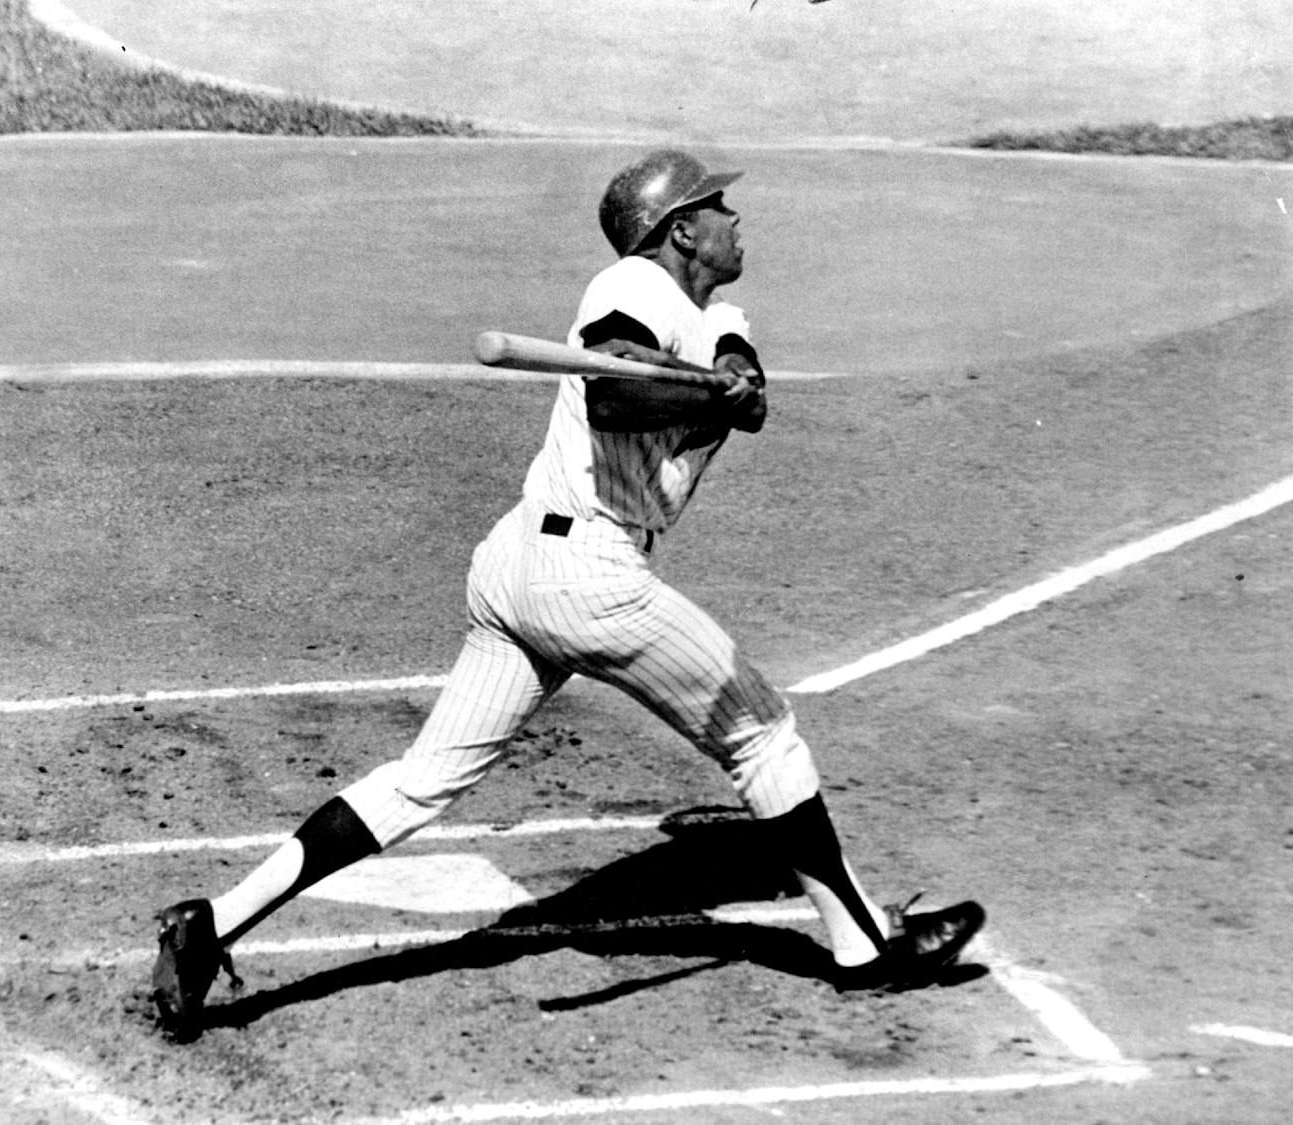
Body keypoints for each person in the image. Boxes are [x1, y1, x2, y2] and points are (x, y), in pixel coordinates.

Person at [151, 149, 985, 1042]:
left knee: (420, 781)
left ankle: (215, 922)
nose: (738, 220)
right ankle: (862, 945)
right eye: (720, 207)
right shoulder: (625, 284)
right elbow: (614, 393)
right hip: (588, 574)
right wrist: (692, 392)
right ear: (682, 230)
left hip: (521, 569)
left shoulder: (709, 313)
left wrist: (737, 383)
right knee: (762, 732)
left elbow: (737, 378)